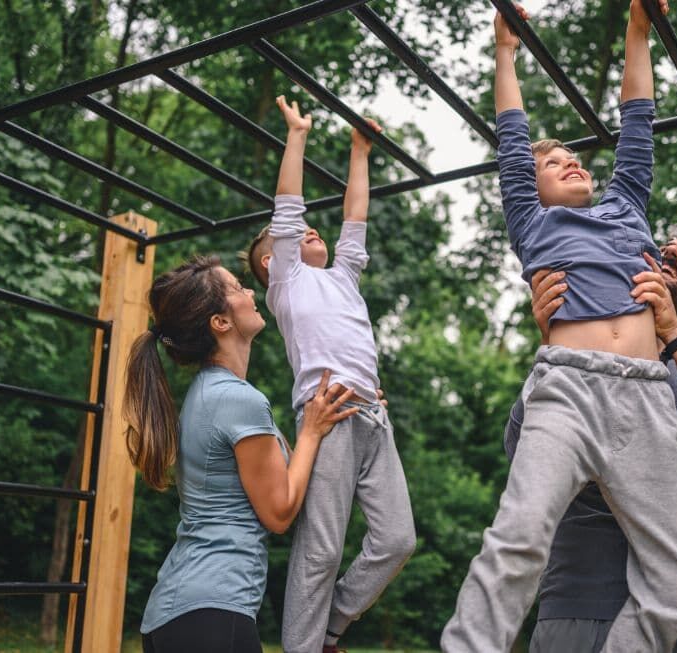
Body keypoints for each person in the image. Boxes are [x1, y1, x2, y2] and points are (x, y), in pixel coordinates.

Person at [441, 3, 677, 652]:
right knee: (519, 536)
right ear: (527, 190)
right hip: (566, 391)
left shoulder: (626, 207)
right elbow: (512, 135)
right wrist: (505, 53)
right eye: (552, 161)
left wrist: (638, 28)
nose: (570, 161)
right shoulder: (534, 224)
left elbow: (638, 122)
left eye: (575, 157)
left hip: (647, 399)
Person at [512, 219, 677, 652]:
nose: (673, 252)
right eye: (669, 247)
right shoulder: (581, 357)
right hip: (583, 597)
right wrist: (553, 345)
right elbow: (520, 450)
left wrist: (672, 336)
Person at [246, 97, 416, 653]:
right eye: (296, 237)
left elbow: (355, 217)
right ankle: (302, 646)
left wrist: (359, 151)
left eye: (315, 232)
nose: (309, 232)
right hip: (329, 413)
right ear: (274, 260)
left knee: (397, 540)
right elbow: (288, 212)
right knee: (320, 549)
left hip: (375, 417)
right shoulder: (287, 281)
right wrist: (296, 136)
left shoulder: (344, 276)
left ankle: (331, 628)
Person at [124, 256, 358, 652]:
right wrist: (313, 433)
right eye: (237, 288)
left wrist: (353, 408)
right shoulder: (236, 400)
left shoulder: (214, 394)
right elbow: (280, 511)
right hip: (210, 613)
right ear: (221, 322)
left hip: (182, 613)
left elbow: (283, 471)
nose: (251, 292)